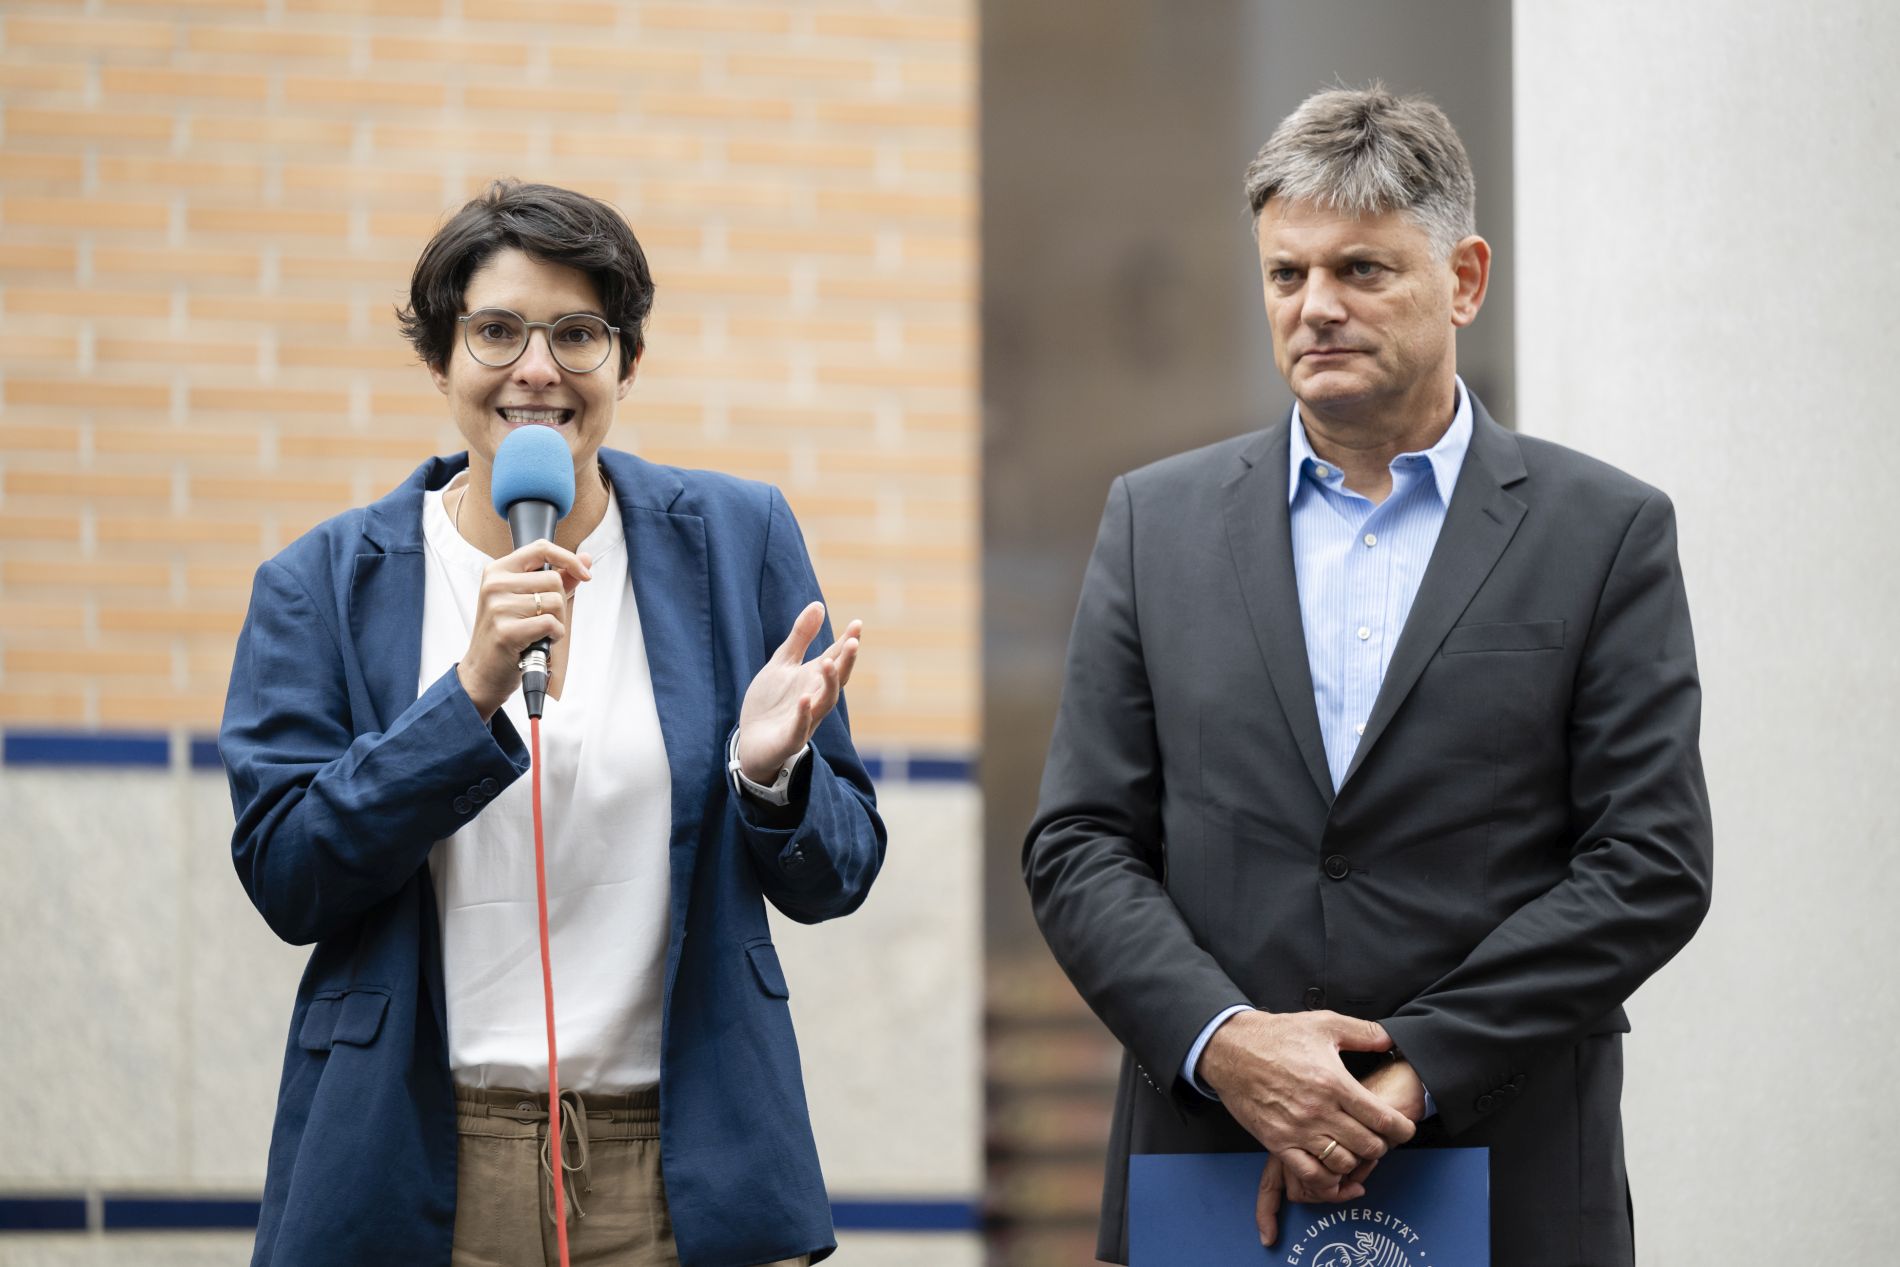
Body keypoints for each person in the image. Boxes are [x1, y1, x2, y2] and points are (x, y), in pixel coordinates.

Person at [1023, 86, 1712, 1266]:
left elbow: (1649, 861)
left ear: (1464, 279)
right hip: (1213, 1162)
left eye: (1360, 270)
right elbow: (1079, 842)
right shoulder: (1154, 523)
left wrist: (1413, 1070)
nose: (1316, 307)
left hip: (1504, 1161)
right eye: (1285, 274)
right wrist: (1227, 1042)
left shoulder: (1604, 531)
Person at [220, 179, 885, 1267]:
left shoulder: (738, 539)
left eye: (578, 333)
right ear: (441, 360)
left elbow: (840, 871)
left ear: (627, 361)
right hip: (419, 1164)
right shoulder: (321, 583)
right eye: (497, 331)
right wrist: (466, 696)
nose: (538, 368)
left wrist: (771, 778)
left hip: (679, 1165)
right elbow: (289, 877)